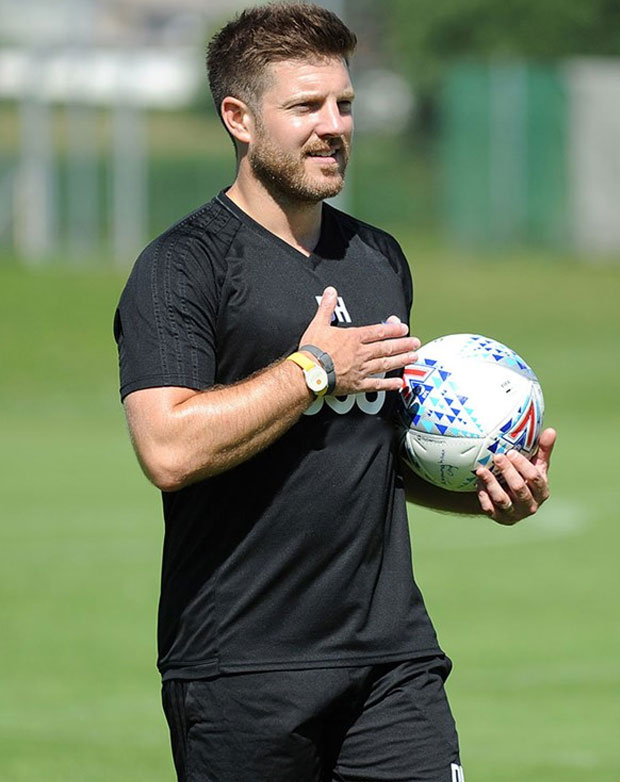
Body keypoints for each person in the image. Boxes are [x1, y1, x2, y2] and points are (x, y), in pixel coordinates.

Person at [113, 4, 555, 780]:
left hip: (392, 662)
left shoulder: (378, 260)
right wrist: (312, 370)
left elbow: (377, 460)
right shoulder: (183, 266)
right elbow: (168, 448)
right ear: (239, 118)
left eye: (344, 103)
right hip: (242, 670)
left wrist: (483, 488)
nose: (334, 126)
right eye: (306, 106)